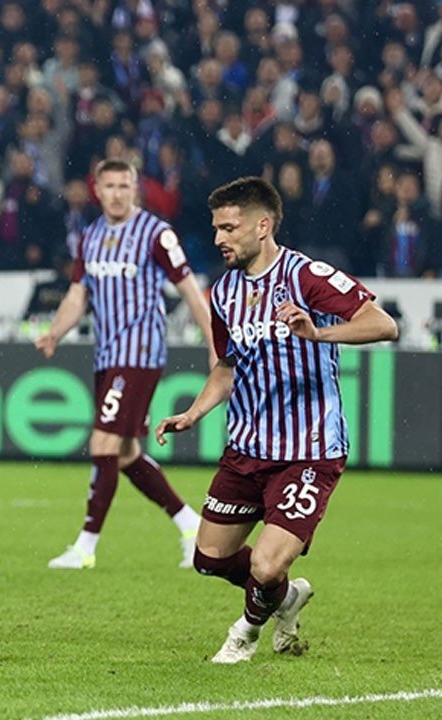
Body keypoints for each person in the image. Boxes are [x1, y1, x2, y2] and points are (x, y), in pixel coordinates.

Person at [156, 176, 398, 663]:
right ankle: (286, 599)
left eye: (229, 228)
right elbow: (227, 366)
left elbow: (383, 324)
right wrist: (194, 412)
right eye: (216, 228)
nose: (218, 238)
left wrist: (318, 336)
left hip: (308, 450)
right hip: (246, 448)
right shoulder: (224, 291)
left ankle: (244, 634)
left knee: (266, 565)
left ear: (262, 226)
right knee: (209, 558)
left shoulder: (307, 277)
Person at [35, 159, 214, 571]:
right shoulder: (90, 236)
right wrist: (55, 332)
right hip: (107, 355)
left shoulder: (156, 233)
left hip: (140, 353)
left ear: (135, 189)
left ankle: (85, 547)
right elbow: (77, 295)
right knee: (127, 453)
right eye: (110, 186)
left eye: (124, 185)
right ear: (97, 190)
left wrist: (213, 343)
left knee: (103, 443)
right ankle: (191, 526)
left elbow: (189, 289)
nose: (117, 193)